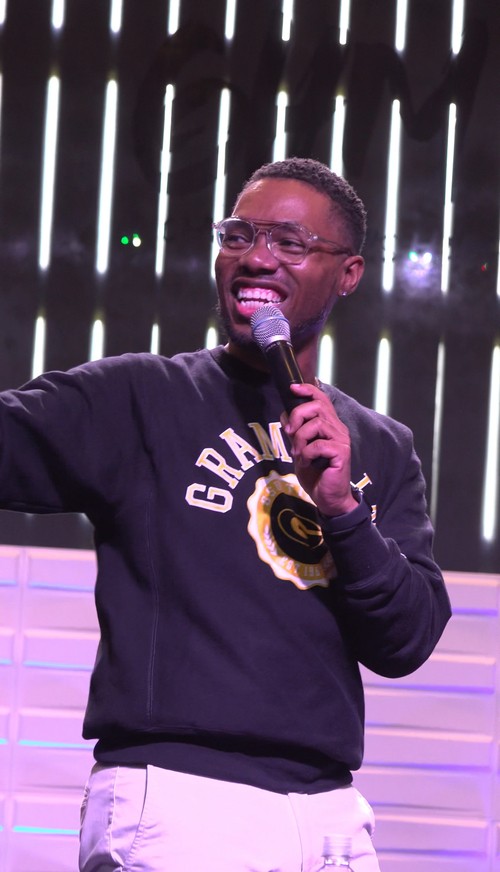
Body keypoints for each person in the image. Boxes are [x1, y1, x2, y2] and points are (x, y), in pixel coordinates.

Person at [0, 157, 451, 872]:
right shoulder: (143, 399)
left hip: (330, 814)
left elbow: (408, 639)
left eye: (289, 242)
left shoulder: (379, 447)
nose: (255, 258)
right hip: (180, 798)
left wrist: (343, 510)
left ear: (349, 273)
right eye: (238, 235)